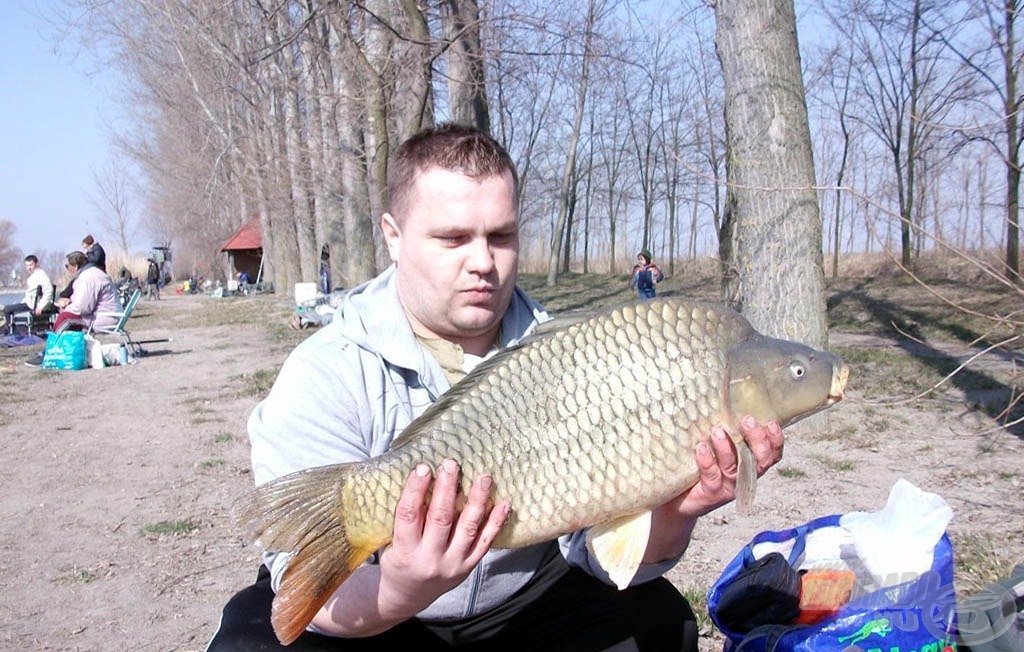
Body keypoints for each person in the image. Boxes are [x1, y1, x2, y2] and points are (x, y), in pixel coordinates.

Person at [205, 124, 784, 652]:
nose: (482, 261)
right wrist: (404, 588)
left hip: (529, 597)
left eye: (500, 236)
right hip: (380, 604)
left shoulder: (576, 353)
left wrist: (677, 513)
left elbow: (600, 556)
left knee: (662, 626)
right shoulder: (325, 372)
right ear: (394, 236)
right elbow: (311, 603)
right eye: (453, 238)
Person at [51, 251, 121, 333]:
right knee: (66, 316)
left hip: (105, 318)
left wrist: (66, 307)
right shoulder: (93, 273)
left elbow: (83, 308)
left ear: (76, 266)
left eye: (67, 266)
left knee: (64, 318)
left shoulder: (88, 278)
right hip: (108, 315)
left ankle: (55, 343)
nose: (67, 269)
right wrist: (70, 302)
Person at [2, 255, 54, 335]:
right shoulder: (33, 276)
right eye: (27, 265)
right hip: (30, 303)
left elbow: (49, 290)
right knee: (12, 307)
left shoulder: (41, 275)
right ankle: (10, 328)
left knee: (7, 309)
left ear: (36, 264)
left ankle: (10, 331)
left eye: (31, 265)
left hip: (33, 305)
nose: (29, 268)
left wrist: (41, 306)